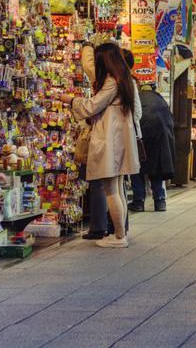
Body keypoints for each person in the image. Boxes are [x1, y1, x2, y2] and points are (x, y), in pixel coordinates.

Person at [65, 42, 141, 248]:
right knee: (117, 188)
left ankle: (118, 237)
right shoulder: (124, 80)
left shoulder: (111, 82)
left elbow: (92, 105)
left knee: (111, 190)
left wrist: (71, 100)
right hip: (118, 139)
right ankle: (120, 232)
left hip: (111, 141)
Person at [131, 73, 176, 212]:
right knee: (156, 168)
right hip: (160, 137)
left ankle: (139, 201)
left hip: (141, 136)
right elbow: (170, 120)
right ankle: (160, 201)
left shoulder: (137, 97)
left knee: (137, 167)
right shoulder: (159, 99)